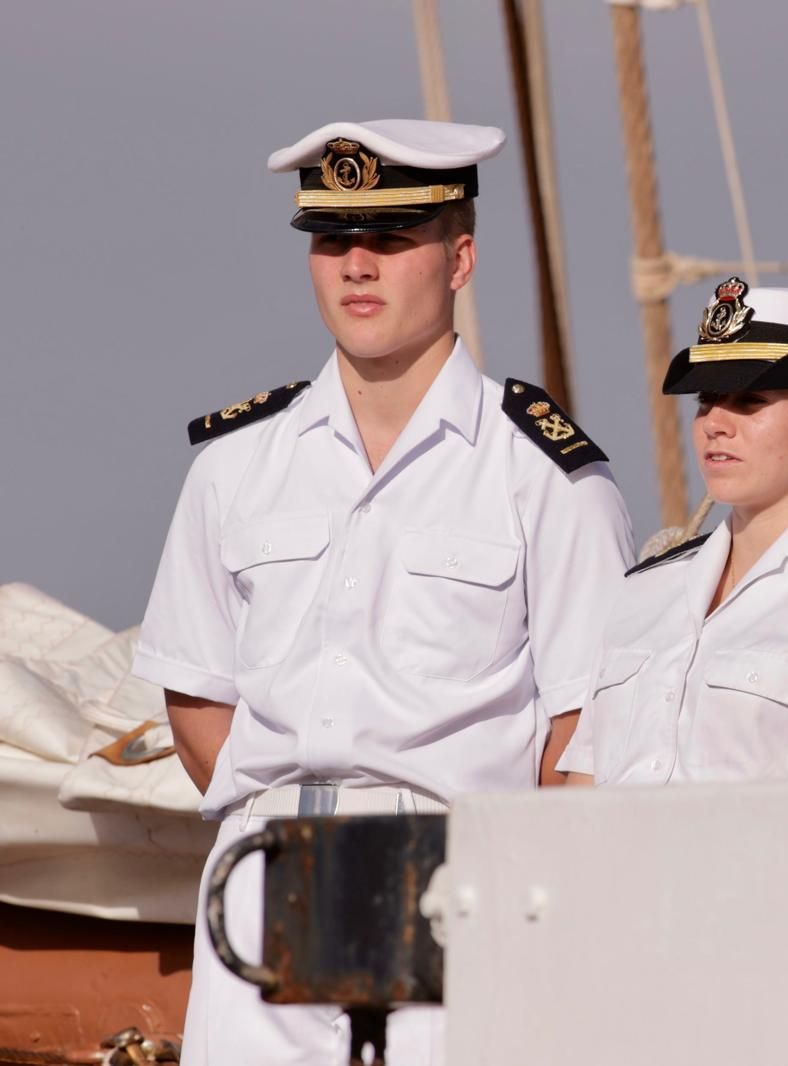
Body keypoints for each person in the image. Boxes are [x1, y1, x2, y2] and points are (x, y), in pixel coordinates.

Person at [130, 119, 633, 1065]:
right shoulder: (236, 466)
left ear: (460, 257)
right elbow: (196, 694)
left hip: (452, 879)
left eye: (392, 238)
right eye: (332, 241)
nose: (357, 265)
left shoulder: (546, 477)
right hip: (262, 869)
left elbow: (587, 731)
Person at [559, 280, 788, 784]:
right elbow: (581, 797)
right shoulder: (646, 589)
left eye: (750, 400)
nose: (715, 422)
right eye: (708, 399)